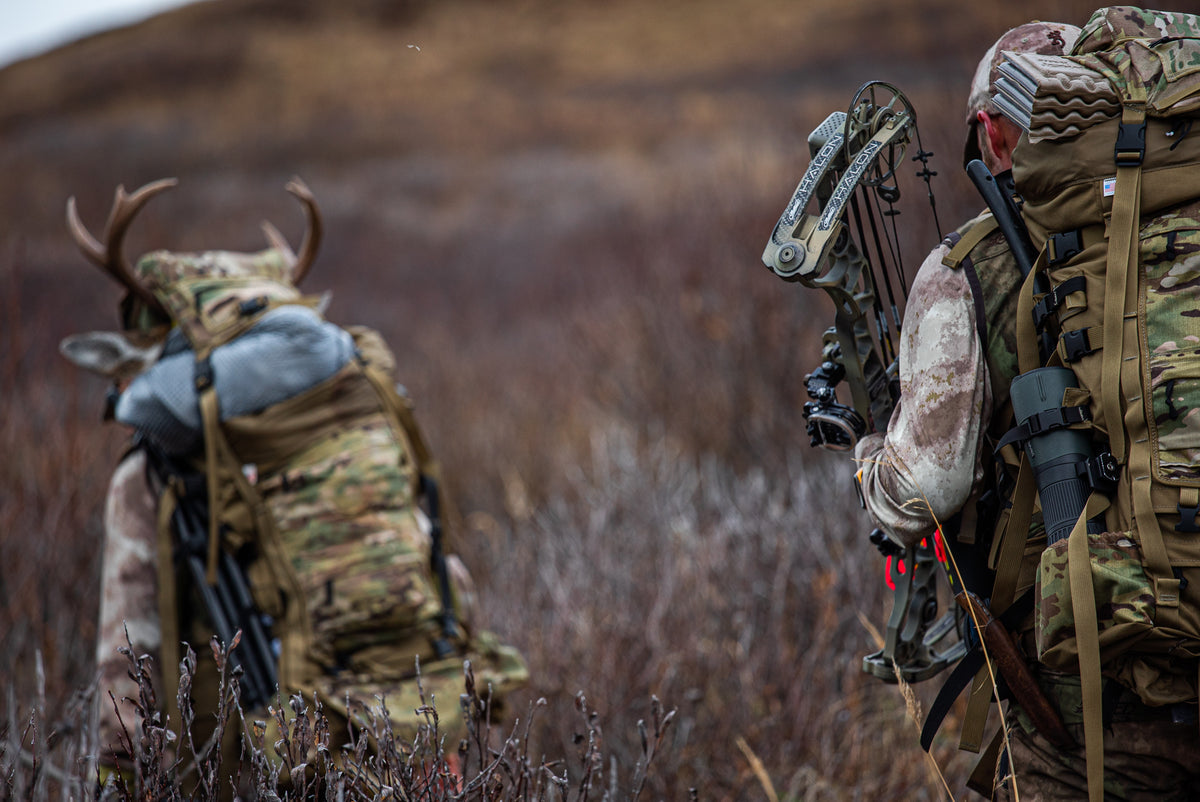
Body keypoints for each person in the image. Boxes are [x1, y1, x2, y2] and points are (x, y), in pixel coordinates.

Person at [63, 180, 527, 791]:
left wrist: (117, 779)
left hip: (260, 752)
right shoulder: (354, 415)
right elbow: (437, 571)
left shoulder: (150, 472)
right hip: (414, 731)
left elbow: (128, 648)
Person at [849, 18, 1184, 800]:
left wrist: (868, 457)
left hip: (1084, 714)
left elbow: (921, 490)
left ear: (991, 132)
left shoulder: (966, 267)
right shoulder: (1185, 238)